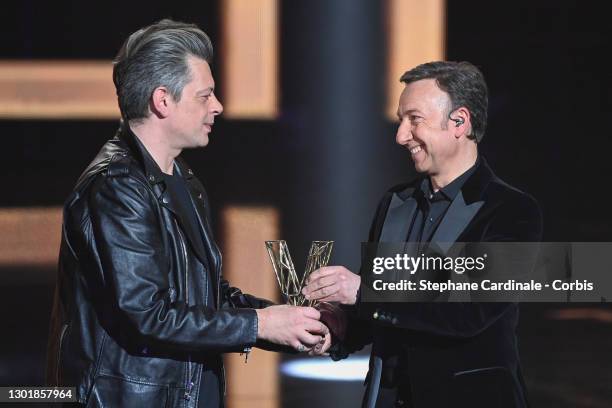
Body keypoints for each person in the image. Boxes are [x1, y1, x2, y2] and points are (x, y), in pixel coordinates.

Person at [46, 19, 328, 407]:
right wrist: (262, 324)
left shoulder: (182, 179)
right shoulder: (117, 186)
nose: (218, 106)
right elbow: (148, 312)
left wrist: (289, 322)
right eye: (204, 96)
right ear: (163, 100)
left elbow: (204, 296)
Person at [304, 61, 543, 407]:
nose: (401, 135)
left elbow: (469, 310)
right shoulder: (395, 203)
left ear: (459, 122)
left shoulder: (510, 211)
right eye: (401, 120)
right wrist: (338, 328)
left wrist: (364, 291)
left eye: (414, 119)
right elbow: (383, 312)